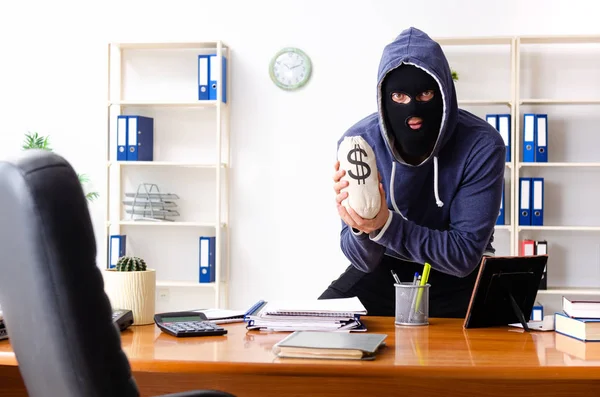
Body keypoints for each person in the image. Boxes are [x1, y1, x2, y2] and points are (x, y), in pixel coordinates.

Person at [319, 27, 506, 318]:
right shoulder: (359, 142)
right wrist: (361, 225)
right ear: (384, 97)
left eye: (425, 93)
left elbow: (464, 255)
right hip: (386, 268)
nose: (414, 111)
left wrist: (385, 225)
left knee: (488, 356)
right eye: (399, 96)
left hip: (459, 278)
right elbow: (361, 261)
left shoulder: (480, 144)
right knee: (314, 333)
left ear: (443, 92)